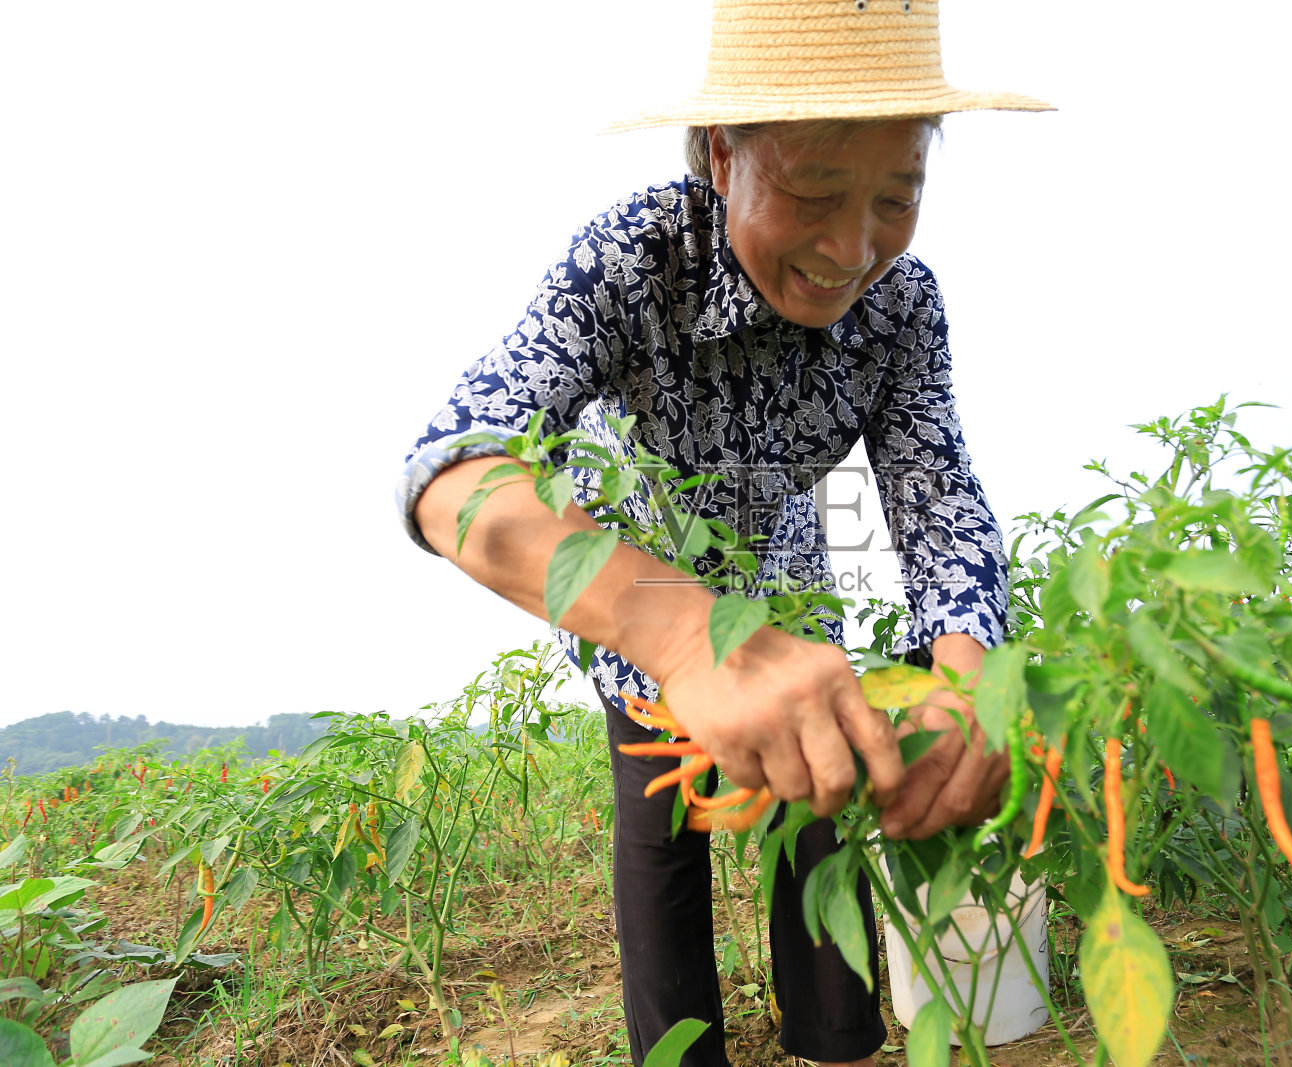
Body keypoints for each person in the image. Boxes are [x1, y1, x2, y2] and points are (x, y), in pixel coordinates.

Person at [397, 3, 1050, 1064]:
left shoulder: (905, 310)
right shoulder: (634, 258)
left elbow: (937, 497)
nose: (854, 247)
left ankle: (835, 1040)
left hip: (790, 604)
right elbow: (452, 471)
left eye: (898, 195)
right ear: (720, 157)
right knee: (663, 844)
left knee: (818, 823)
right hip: (638, 612)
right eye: (811, 193)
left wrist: (972, 672)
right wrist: (685, 637)